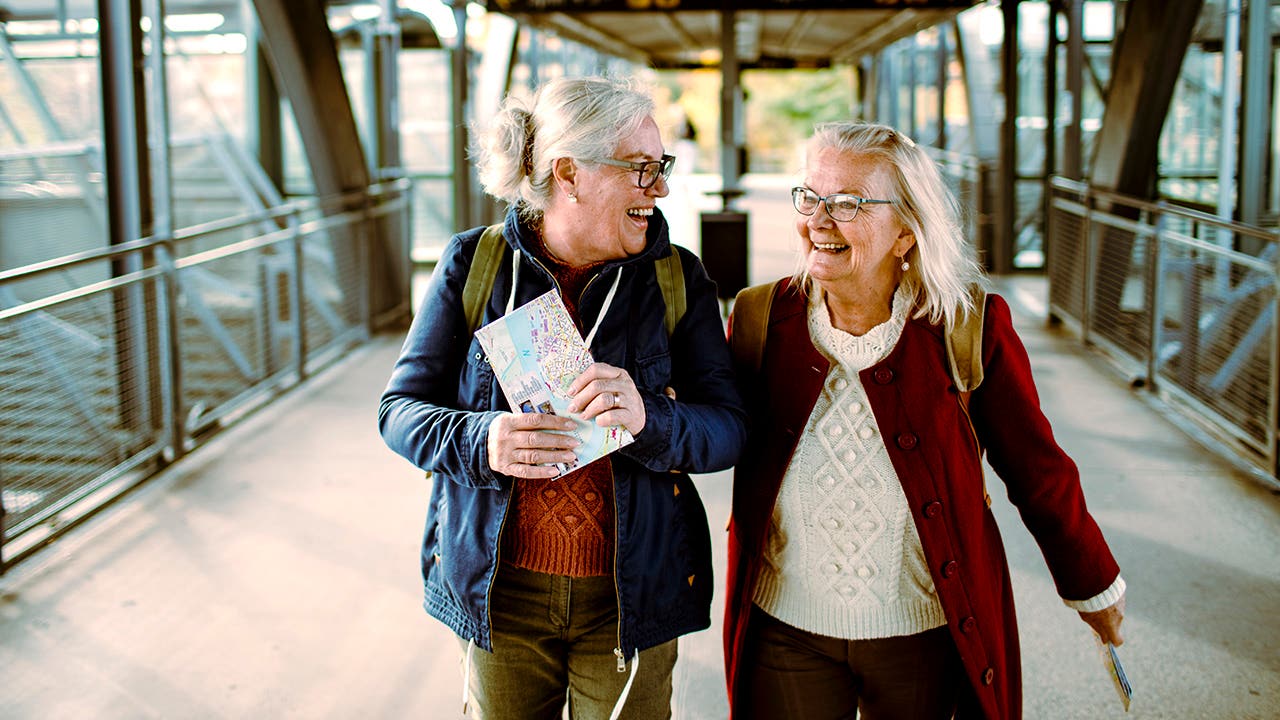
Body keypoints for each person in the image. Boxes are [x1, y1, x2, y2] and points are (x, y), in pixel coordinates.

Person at [722, 121, 1125, 720]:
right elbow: (708, 427)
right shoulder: (759, 319)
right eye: (810, 196)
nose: (819, 221)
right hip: (786, 629)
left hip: (924, 631)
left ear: (906, 232)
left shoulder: (966, 325)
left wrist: (1090, 582)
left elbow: (1036, 467)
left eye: (850, 203)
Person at [379, 76, 747, 720]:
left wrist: (650, 418)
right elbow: (400, 411)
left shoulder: (676, 277)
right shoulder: (476, 265)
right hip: (500, 596)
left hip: (630, 598)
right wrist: (481, 438)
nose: (659, 188)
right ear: (570, 173)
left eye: (661, 167)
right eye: (641, 169)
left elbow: (728, 428)